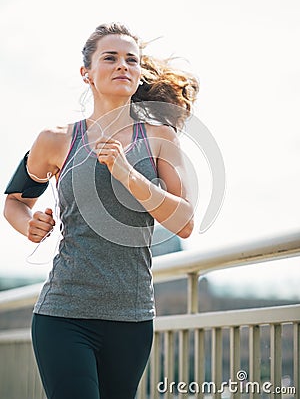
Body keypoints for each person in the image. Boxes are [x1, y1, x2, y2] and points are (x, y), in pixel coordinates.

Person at [3, 22, 199, 399]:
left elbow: (185, 223)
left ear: (139, 73)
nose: (122, 65)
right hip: (63, 313)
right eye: (110, 58)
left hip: (133, 316)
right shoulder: (56, 139)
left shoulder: (160, 138)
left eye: (131, 59)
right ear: (86, 73)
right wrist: (29, 224)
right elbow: (15, 201)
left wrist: (128, 174)